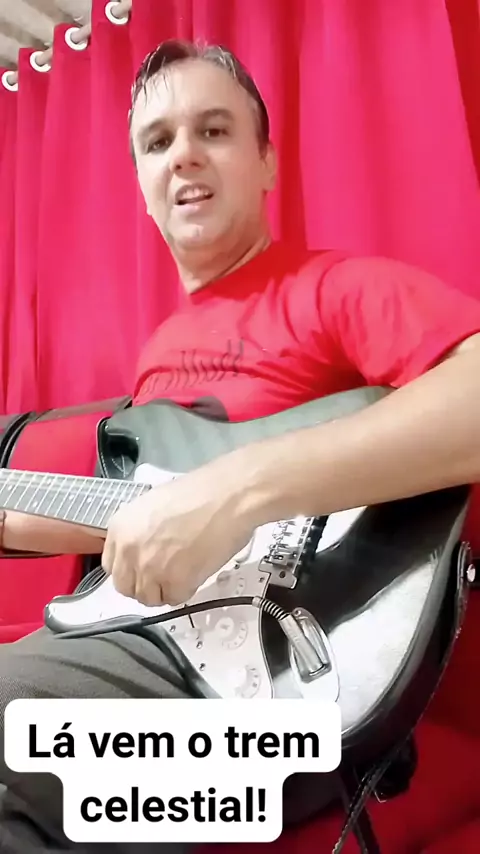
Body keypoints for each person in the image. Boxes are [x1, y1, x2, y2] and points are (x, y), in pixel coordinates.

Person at [2, 37, 480, 853]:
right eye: (158, 142)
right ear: (141, 185)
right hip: (128, 644)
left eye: (214, 130)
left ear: (266, 162)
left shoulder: (335, 288)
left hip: (277, 680)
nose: (184, 155)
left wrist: (236, 493)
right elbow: (152, 516)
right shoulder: (162, 352)